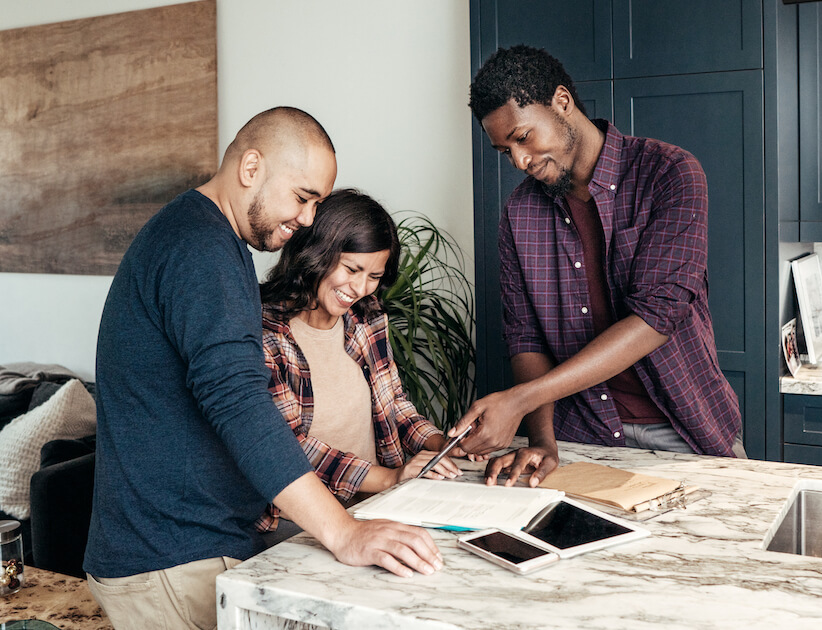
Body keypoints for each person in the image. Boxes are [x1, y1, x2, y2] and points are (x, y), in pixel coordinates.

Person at [84, 107, 442, 630]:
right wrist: (343, 532)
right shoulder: (201, 248)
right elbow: (240, 403)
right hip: (174, 557)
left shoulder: (203, 239)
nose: (307, 219)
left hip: (184, 548)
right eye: (303, 197)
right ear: (251, 167)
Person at [452, 45, 744, 488]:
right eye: (503, 150)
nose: (519, 161)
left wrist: (519, 400)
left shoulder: (670, 173)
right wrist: (543, 439)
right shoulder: (519, 214)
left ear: (562, 103)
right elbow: (526, 336)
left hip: (689, 432)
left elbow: (655, 317)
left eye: (523, 137)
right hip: (582, 440)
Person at [255, 188, 461, 537]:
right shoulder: (263, 333)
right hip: (298, 527)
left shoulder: (367, 318)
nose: (361, 288)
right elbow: (288, 449)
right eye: (352, 269)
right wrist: (389, 477)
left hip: (376, 508)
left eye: (375, 276)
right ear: (316, 253)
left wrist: (442, 445)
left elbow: (394, 404)